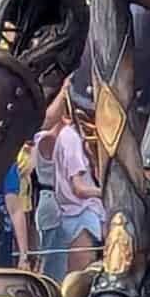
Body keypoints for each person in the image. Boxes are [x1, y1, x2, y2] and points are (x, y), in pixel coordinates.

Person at [53, 97, 104, 273]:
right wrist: (105, 192)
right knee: (82, 276)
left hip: (89, 214)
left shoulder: (78, 137)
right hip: (80, 215)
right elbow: (79, 188)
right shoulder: (71, 138)